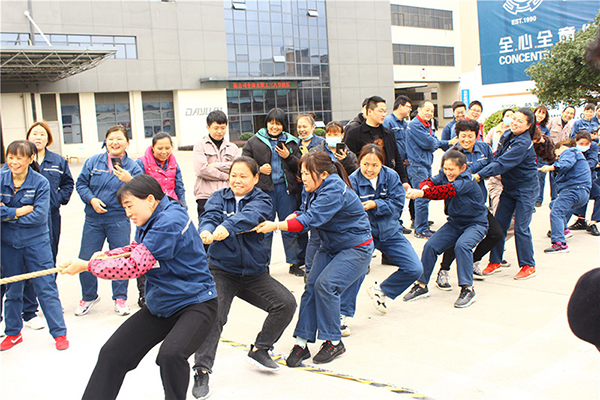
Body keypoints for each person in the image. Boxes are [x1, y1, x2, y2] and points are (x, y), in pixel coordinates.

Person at [60, 174, 218, 400]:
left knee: (171, 355)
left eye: (129, 206)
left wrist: (88, 266)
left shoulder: (169, 221)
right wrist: (106, 255)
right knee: (112, 354)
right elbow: (136, 249)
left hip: (196, 302)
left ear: (150, 199)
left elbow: (135, 265)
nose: (128, 213)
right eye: (124, 208)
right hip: (163, 303)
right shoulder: (150, 218)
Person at [192, 157, 296, 399]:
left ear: (256, 178)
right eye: (233, 176)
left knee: (285, 303)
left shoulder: (263, 199)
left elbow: (251, 216)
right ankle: (201, 370)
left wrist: (226, 227)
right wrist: (205, 230)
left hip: (253, 273)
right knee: (215, 316)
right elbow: (209, 216)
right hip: (221, 271)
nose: (237, 180)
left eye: (243, 176)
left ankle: (260, 349)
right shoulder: (218, 197)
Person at [257, 152, 373, 366]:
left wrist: (277, 225)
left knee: (326, 285)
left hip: (355, 247)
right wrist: (293, 216)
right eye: (301, 173)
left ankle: (334, 341)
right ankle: (301, 343)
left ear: (324, 174)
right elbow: (304, 211)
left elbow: (310, 219)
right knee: (311, 286)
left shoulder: (334, 189)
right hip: (329, 246)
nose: (302, 178)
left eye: (306, 173)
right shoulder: (311, 187)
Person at [1, 140, 69, 351]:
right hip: (8, 245)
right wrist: (18, 212)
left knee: (46, 288)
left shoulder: (40, 182)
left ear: (31, 159)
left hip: (36, 244)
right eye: (10, 157)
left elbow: (39, 216)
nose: (14, 162)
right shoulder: (1, 179)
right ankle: (13, 333)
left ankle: (59, 333)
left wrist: (6, 215)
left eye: (19, 158)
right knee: (13, 288)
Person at [404, 149, 488, 308]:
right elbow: (429, 181)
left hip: (475, 224)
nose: (448, 172)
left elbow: (446, 191)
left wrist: (422, 193)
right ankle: (421, 285)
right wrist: (426, 186)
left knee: (462, 246)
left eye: (452, 169)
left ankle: (468, 289)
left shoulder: (466, 180)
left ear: (463, 168)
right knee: (430, 246)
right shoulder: (444, 175)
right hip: (455, 223)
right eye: (446, 168)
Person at [75, 125, 143, 316]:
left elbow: (142, 191)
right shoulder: (93, 162)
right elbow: (81, 184)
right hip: (93, 219)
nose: (115, 142)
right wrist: (91, 199)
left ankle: (120, 298)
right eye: (111, 138)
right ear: (105, 141)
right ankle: (88, 296)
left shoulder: (133, 167)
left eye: (119, 138)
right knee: (86, 257)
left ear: (127, 143)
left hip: (119, 219)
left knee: (120, 258)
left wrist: (129, 180)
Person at [347, 144, 422, 314]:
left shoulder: (391, 176)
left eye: (375, 165)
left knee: (414, 268)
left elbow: (397, 204)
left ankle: (382, 291)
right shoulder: (352, 180)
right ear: (359, 162)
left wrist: (375, 204)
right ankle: (343, 313)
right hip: (364, 235)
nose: (369, 169)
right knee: (356, 272)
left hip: (390, 232)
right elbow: (350, 211)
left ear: (382, 163)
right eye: (365, 164)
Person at [435, 119, 502, 289]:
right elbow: (444, 177)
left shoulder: (484, 148)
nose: (466, 139)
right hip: (458, 204)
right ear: (457, 136)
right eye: (462, 136)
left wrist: (479, 175)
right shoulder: (452, 154)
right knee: (455, 238)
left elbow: (492, 166)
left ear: (476, 135)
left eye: (470, 136)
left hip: (477, 203)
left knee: (496, 234)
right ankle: (443, 270)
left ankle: (472, 261)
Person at [474, 108, 539, 280]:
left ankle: (528, 265)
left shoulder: (523, 143)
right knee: (499, 225)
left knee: (521, 227)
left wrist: (480, 175)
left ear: (528, 125)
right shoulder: (507, 135)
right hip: (509, 188)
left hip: (526, 189)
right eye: (514, 119)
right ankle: (495, 261)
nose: (515, 123)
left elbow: (502, 163)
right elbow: (497, 157)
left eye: (520, 121)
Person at [22, 121, 74, 330]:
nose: (38, 137)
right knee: (27, 262)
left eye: (42, 134)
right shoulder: (22, 159)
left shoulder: (57, 161)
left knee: (48, 259)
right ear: (28, 137)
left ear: (48, 139)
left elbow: (68, 183)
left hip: (51, 217)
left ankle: (49, 302)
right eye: (35, 133)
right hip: (27, 218)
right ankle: (29, 308)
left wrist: (58, 200)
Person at [242, 108, 303, 276]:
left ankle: (294, 263)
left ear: (284, 125)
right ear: (266, 123)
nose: (274, 126)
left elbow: (300, 166)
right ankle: (264, 265)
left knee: (289, 226)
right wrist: (258, 169)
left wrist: (288, 156)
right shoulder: (254, 141)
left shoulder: (291, 142)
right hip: (264, 191)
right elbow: (244, 162)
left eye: (278, 123)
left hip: (286, 190)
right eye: (271, 122)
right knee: (265, 229)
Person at [136, 131, 186, 307]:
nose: (164, 152)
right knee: (145, 251)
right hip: (149, 214)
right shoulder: (142, 163)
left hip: (171, 211)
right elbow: (137, 188)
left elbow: (179, 186)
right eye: (160, 148)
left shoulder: (173, 162)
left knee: (170, 252)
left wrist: (182, 207)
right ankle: (143, 294)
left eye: (167, 148)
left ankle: (169, 290)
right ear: (152, 147)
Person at [405, 100, 457, 238]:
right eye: (427, 110)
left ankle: (422, 225)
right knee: (422, 196)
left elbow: (434, 141)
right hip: (417, 165)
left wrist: (438, 142)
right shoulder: (415, 124)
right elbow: (430, 143)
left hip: (424, 164)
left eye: (432, 111)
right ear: (419, 109)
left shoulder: (427, 124)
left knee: (425, 195)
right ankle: (421, 230)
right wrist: (440, 143)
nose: (429, 113)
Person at [345, 96, 410, 189]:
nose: (383, 115)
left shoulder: (389, 134)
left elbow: (397, 158)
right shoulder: (354, 134)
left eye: (385, 111)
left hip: (387, 182)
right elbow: (350, 162)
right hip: (363, 183)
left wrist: (404, 180)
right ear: (370, 111)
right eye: (380, 111)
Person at [540, 140, 591, 253]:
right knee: (554, 205)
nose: (557, 157)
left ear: (561, 148)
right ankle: (563, 230)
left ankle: (560, 244)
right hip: (582, 193)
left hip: (573, 191)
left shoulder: (569, 151)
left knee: (556, 212)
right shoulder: (577, 155)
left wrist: (551, 167)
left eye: (556, 153)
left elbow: (565, 163)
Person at [193, 110, 241, 218]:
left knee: (228, 226)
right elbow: (201, 170)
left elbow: (238, 167)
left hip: (228, 195)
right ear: (208, 127)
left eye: (223, 128)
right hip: (206, 196)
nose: (219, 131)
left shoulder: (232, 148)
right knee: (207, 226)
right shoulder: (200, 146)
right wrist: (225, 176)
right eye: (216, 128)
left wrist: (215, 165)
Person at [383, 95, 414, 234]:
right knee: (393, 195)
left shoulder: (404, 124)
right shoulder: (388, 122)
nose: (410, 110)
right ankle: (395, 224)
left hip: (404, 164)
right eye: (408, 107)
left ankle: (399, 222)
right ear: (400, 106)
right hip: (393, 165)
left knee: (401, 194)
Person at [569, 131, 600, 236]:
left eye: (587, 144)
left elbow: (593, 161)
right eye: (581, 143)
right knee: (575, 199)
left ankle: (593, 222)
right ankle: (579, 220)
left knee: (597, 194)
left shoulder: (594, 146)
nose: (584, 146)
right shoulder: (570, 147)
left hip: (587, 178)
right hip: (571, 180)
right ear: (576, 141)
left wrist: (580, 167)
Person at [484, 108, 514, 212]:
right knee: (497, 200)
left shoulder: (515, 132)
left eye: (512, 116)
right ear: (503, 117)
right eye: (507, 116)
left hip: (509, 167)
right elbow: (487, 144)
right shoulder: (494, 130)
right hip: (495, 164)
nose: (509, 118)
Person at [533, 108, 556, 207]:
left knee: (541, 177)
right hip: (530, 154)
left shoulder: (545, 128)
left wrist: (543, 141)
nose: (540, 115)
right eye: (539, 112)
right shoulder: (529, 124)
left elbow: (548, 141)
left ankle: (538, 199)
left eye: (543, 113)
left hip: (541, 156)